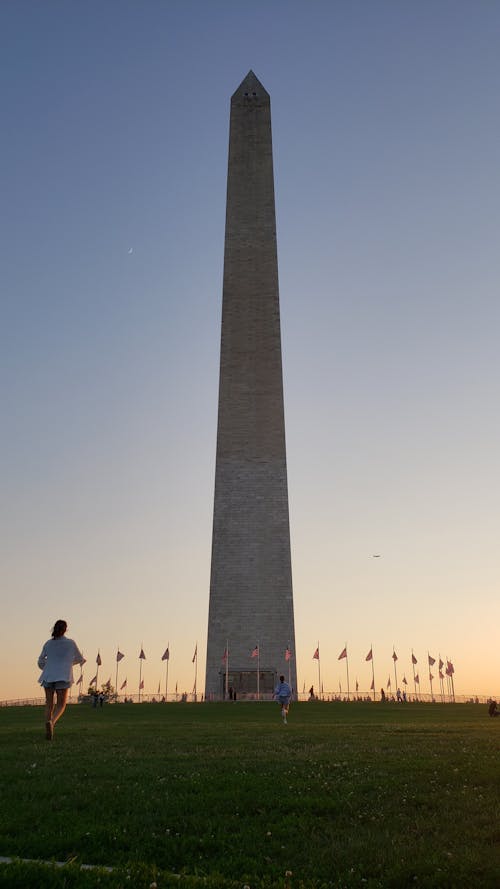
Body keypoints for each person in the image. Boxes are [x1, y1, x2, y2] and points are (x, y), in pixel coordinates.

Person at [37, 619, 85, 740]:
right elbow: (80, 658)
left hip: (48, 675)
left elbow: (40, 661)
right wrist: (68, 663)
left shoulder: (48, 643)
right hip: (63, 675)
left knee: (49, 704)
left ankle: (47, 725)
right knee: (61, 704)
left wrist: (47, 668)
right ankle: (52, 723)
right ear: (65, 629)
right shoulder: (70, 643)